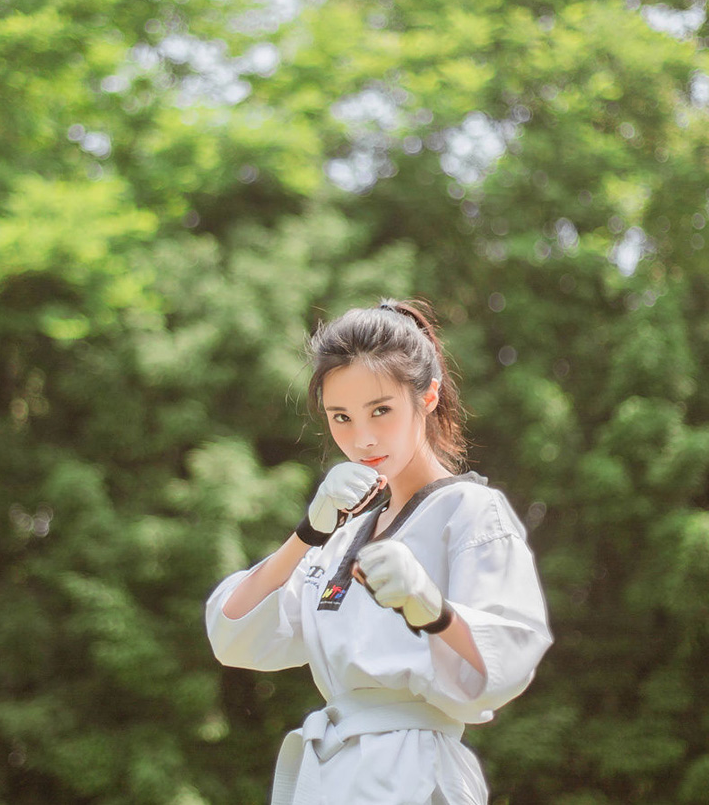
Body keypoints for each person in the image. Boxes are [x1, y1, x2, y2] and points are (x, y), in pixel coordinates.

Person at [206, 299, 552, 805]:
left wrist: (430, 609)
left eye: (381, 410)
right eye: (340, 417)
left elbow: (509, 657)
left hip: (413, 772)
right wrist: (309, 533)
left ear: (429, 396)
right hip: (329, 772)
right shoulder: (344, 534)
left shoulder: (471, 511)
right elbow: (232, 633)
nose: (361, 438)